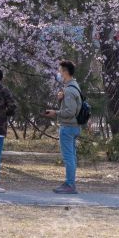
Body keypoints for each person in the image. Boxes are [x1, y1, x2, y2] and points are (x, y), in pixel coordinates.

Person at [44, 60, 82, 194]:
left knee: (68, 157)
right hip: (74, 126)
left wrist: (55, 112)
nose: (59, 74)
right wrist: (61, 100)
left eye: (60, 71)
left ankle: (70, 184)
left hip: (68, 127)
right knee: (71, 156)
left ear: (65, 72)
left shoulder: (70, 90)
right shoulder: (74, 87)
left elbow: (69, 112)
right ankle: (69, 182)